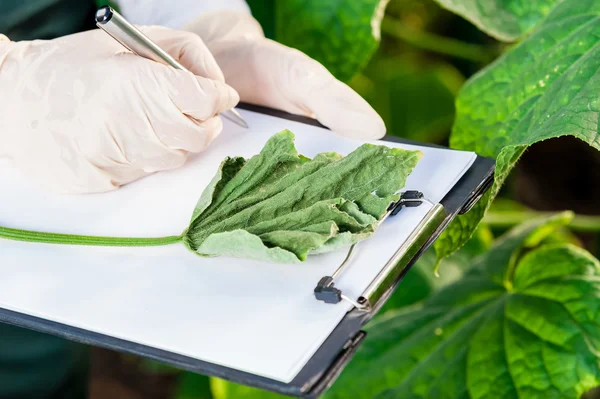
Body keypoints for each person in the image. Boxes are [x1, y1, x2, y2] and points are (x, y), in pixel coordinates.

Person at [0, 0, 385, 397]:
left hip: (62, 223)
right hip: (49, 131)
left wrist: (207, 26)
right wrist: (10, 85)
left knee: (40, 364)